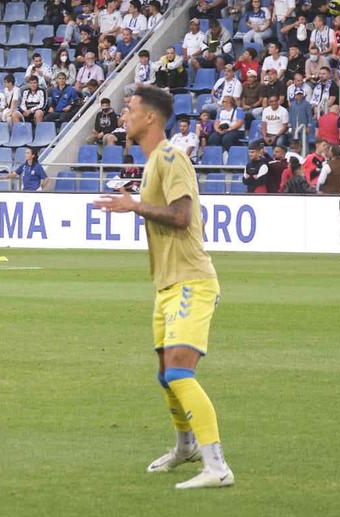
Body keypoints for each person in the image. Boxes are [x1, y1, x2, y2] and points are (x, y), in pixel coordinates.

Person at [90, 85, 233, 490]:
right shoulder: (153, 162)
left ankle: (217, 466)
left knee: (179, 371)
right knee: (165, 375)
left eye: (130, 108)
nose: (124, 114)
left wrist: (134, 205)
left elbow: (181, 215)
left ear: (150, 117)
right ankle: (185, 446)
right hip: (167, 285)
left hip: (192, 280)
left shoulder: (172, 157)